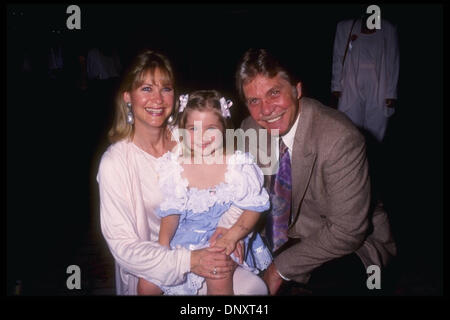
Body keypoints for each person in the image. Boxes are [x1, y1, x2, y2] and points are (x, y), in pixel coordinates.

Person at [97, 49, 268, 295]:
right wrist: (188, 259)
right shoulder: (115, 162)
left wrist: (231, 235)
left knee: (255, 290)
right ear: (128, 97)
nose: (157, 99)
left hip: (211, 246)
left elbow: (236, 190)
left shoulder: (188, 136)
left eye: (165, 88)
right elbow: (124, 247)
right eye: (146, 89)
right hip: (155, 264)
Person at [237, 48, 397, 295]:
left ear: (297, 90)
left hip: (344, 244)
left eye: (274, 93)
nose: (266, 110)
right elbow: (236, 194)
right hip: (273, 238)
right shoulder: (248, 130)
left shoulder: (339, 138)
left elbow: (347, 232)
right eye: (254, 101)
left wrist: (278, 268)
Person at [137, 90, 272, 295]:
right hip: (185, 238)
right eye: (193, 128)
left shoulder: (237, 165)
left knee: (217, 271)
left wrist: (232, 237)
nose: (202, 137)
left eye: (211, 128)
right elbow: (171, 213)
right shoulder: (175, 166)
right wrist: (162, 249)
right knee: (146, 284)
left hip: (223, 239)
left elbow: (253, 208)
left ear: (224, 129)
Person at [331, 11, 399, 143]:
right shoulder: (345, 27)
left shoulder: (388, 29)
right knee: (349, 128)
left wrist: (391, 92)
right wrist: (336, 85)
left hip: (379, 86)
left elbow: (393, 60)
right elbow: (338, 56)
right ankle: (351, 159)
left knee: (375, 130)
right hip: (351, 85)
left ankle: (372, 158)